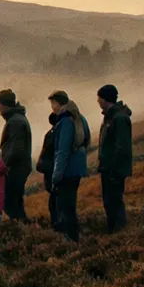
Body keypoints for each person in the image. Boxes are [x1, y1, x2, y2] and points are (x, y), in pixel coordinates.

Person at [47, 91, 92, 243]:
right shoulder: (80, 118)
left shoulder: (65, 121)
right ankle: (74, 235)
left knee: (65, 206)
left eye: (53, 104)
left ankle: (71, 238)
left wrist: (56, 175)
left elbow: (62, 151)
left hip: (67, 170)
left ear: (59, 104)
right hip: (78, 167)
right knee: (70, 204)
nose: (52, 107)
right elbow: (87, 141)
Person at [96, 84, 134, 234]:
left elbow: (122, 147)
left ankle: (120, 233)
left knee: (114, 201)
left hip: (114, 169)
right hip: (108, 168)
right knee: (109, 201)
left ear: (106, 99)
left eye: (99, 98)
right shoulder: (111, 117)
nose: (98, 101)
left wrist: (113, 169)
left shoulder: (118, 118)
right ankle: (113, 230)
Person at [0, 90, 34, 223]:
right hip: (19, 167)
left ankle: (20, 228)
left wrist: (3, 166)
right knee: (16, 201)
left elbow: (15, 150)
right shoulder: (17, 118)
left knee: (10, 203)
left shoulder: (15, 122)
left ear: (5, 105)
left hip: (15, 168)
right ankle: (24, 229)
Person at [36, 110, 59, 225]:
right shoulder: (59, 133)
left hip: (52, 172)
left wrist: (41, 165)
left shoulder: (51, 134)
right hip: (54, 170)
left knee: (54, 203)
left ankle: (58, 226)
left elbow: (46, 153)